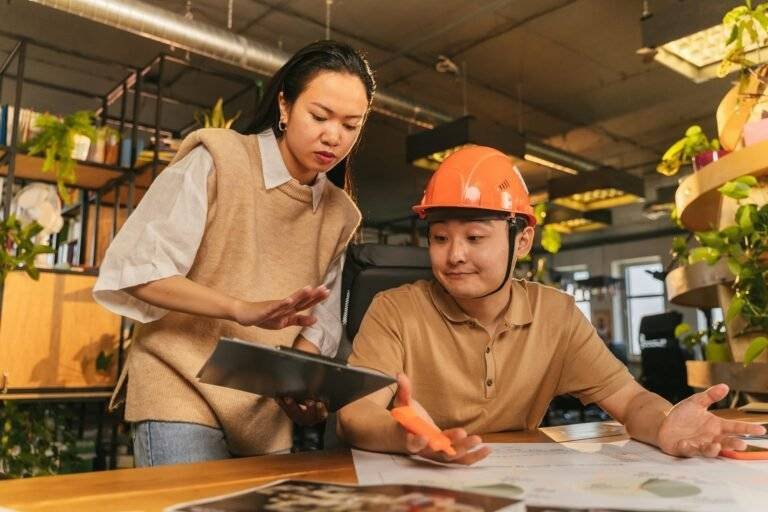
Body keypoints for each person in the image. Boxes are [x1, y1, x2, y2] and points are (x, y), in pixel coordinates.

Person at [337, 145, 765, 464]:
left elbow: (631, 402)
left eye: (474, 237)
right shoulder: (394, 309)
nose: (454, 255)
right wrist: (410, 437)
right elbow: (355, 414)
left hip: (514, 483)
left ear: (521, 240)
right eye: (440, 237)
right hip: (417, 485)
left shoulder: (555, 315)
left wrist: (665, 422)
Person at [93, 40, 376, 466]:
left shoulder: (339, 214)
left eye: (351, 125)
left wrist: (302, 385)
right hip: (179, 384)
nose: (333, 136)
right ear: (284, 106)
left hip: (261, 409)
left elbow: (318, 328)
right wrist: (240, 309)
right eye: (319, 116)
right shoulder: (219, 159)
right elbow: (140, 269)